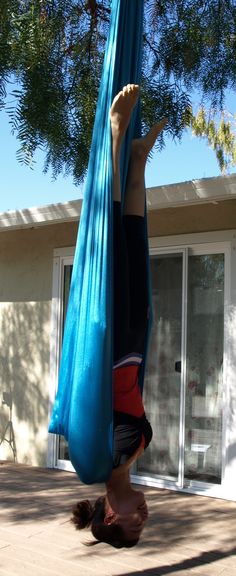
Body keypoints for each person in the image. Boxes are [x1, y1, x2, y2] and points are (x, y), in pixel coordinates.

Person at [71, 85, 167, 547]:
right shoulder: (134, 456)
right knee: (132, 232)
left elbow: (83, 402)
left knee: (110, 234)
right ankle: (139, 159)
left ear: (110, 514)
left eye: (134, 522)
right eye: (145, 524)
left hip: (108, 338)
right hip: (132, 338)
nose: (143, 515)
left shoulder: (97, 462)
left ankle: (113, 133)